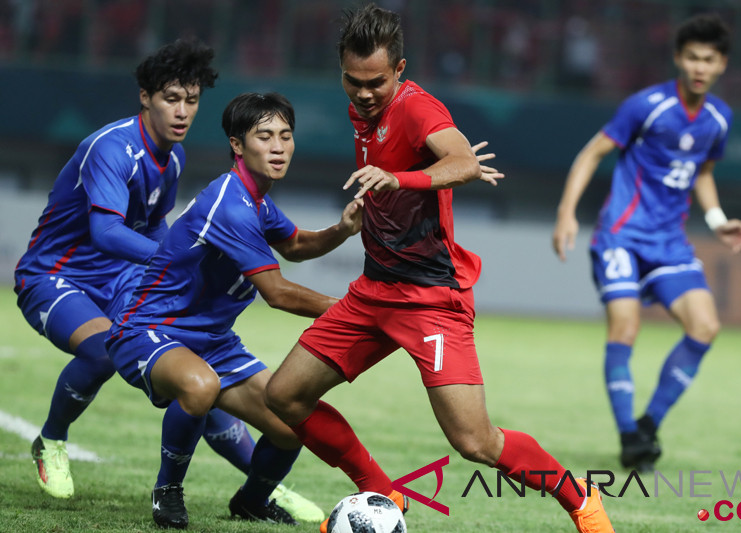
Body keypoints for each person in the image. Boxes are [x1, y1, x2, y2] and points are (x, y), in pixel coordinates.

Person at [264, 4, 615, 533]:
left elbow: (463, 161)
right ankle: (382, 494)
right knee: (284, 395)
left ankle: (579, 498)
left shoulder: (415, 106)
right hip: (372, 292)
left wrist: (398, 179)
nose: (363, 93)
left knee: (476, 442)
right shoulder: (363, 108)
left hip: (431, 300)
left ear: (400, 72)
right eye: (352, 80)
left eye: (376, 82)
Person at [13, 38, 322, 523]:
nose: (182, 112)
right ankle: (51, 440)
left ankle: (265, 489)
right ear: (145, 97)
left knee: (200, 379)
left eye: (192, 100)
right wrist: (176, 258)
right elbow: (107, 231)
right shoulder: (112, 147)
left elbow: (157, 227)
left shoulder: (172, 159)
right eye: (171, 98)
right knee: (102, 348)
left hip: (122, 278)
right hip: (55, 273)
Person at [105, 91, 364, 529]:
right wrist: (354, 312)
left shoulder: (256, 201)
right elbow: (277, 293)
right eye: (264, 136)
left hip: (214, 342)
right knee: (201, 386)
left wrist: (343, 228)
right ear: (237, 145)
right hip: (150, 331)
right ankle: (167, 491)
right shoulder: (231, 204)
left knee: (291, 420)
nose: (278, 146)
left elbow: (297, 245)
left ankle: (251, 501)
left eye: (286, 135)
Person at [551, 13, 741, 472]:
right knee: (625, 328)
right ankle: (628, 436)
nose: (700, 67)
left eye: (709, 59)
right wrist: (566, 213)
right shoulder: (646, 105)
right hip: (620, 237)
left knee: (705, 327)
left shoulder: (720, 118)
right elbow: (591, 153)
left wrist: (717, 218)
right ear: (678, 59)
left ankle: (647, 425)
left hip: (670, 243)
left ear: (722, 64)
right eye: (692, 58)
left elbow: (701, 169)